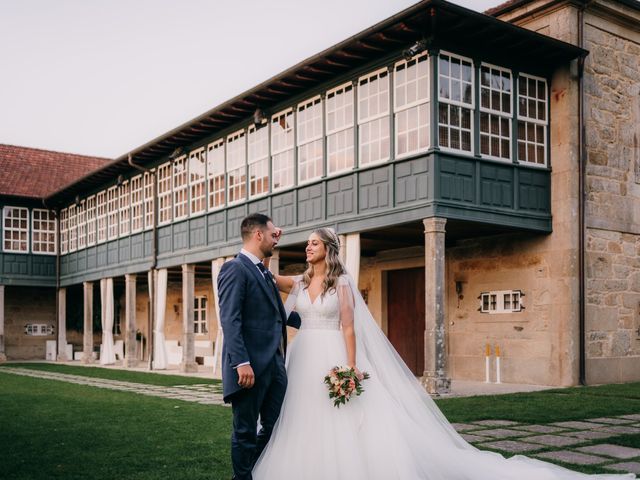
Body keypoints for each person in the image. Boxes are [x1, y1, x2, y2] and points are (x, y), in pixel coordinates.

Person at [252, 227, 634, 480]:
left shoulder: (342, 284)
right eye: (306, 244)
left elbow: (349, 327)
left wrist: (352, 367)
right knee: (304, 412)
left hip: (334, 352)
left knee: (344, 415)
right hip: (304, 356)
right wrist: (266, 248)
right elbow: (267, 277)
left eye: (313, 243)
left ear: (328, 250)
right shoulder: (300, 281)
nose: (307, 247)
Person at [217, 213, 300, 480]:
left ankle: (256, 471)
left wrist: (321, 317)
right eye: (273, 233)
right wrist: (241, 362)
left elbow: (278, 313)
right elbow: (230, 318)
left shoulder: (262, 270)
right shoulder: (235, 268)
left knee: (276, 427)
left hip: (275, 364)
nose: (277, 238)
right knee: (245, 431)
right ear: (258, 235)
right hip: (249, 366)